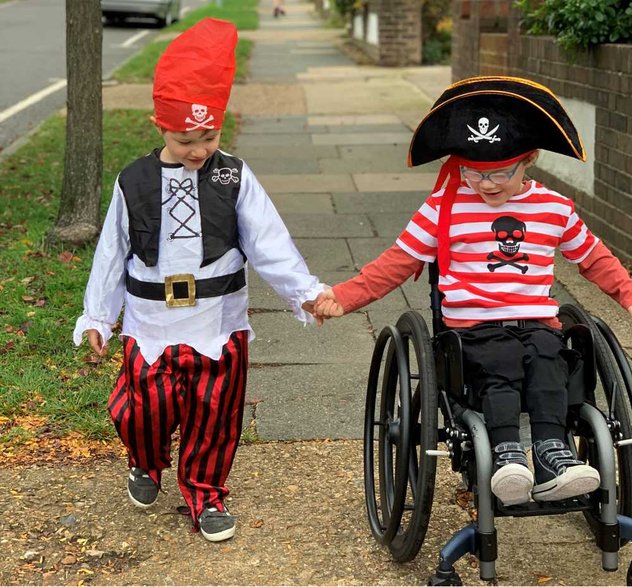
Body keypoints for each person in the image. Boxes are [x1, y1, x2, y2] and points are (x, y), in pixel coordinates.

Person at [313, 76, 632, 507]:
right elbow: (398, 261)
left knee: (549, 361)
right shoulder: (444, 208)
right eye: (473, 172)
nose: (486, 183)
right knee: (499, 368)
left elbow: (594, 259)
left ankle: (553, 454)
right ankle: (506, 457)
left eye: (501, 172)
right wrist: (345, 296)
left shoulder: (554, 209)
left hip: (537, 321)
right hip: (474, 329)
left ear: (530, 160)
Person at [73, 18, 325, 542]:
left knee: (215, 414)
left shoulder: (234, 175)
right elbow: (111, 252)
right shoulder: (133, 180)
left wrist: (305, 292)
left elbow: (269, 243)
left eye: (208, 136)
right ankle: (145, 460)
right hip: (151, 321)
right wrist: (99, 315)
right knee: (142, 410)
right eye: (185, 138)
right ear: (158, 126)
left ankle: (206, 493)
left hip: (219, 319)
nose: (198, 149)